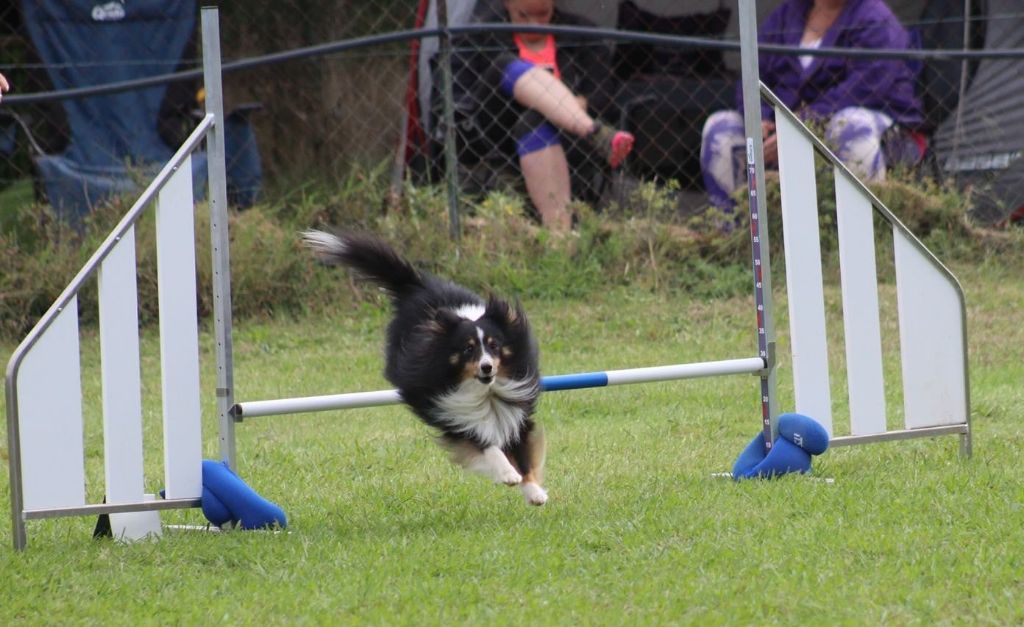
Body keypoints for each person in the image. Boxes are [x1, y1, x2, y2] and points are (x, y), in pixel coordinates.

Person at [700, 0, 925, 211]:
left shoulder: (876, 19)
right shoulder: (788, 13)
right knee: (721, 127)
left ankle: (859, 234)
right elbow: (752, 72)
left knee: (852, 126)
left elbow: (863, 90)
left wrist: (801, 127)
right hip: (780, 131)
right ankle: (737, 233)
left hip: (866, 132)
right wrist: (761, 120)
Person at [450, 0, 634, 230]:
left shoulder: (581, 33)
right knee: (504, 64)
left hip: (564, 137)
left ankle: (559, 235)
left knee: (534, 119)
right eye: (524, 15)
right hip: (499, 131)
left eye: (543, 15)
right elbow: (462, 98)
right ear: (507, 4)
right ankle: (593, 131)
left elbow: (603, 93)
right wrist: (548, 104)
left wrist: (571, 105)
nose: (534, 24)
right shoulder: (480, 35)